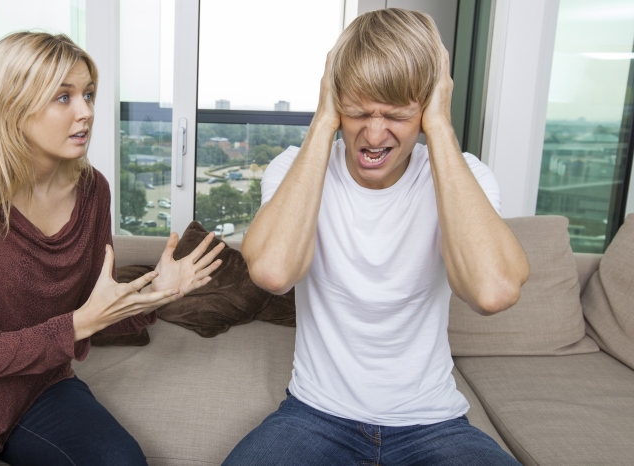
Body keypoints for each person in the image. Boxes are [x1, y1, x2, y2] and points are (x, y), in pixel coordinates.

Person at [0, 32, 224, 466]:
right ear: (11, 105)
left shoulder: (92, 190)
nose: (86, 112)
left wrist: (155, 290)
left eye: (88, 94)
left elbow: (92, 309)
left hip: (39, 389)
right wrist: (79, 323)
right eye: (63, 98)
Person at [224, 8, 529, 466]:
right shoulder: (295, 169)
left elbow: (492, 291)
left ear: (426, 108)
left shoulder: (465, 177)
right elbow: (273, 272)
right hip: (316, 415)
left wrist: (440, 127)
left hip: (433, 423)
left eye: (397, 115)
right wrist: (324, 120)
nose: (372, 134)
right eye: (357, 111)